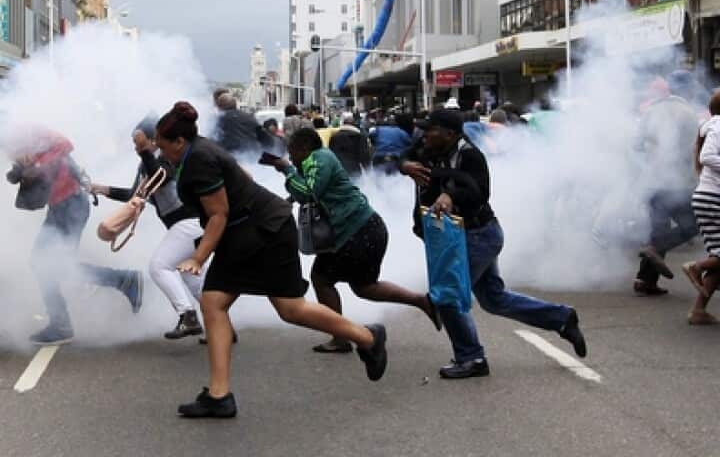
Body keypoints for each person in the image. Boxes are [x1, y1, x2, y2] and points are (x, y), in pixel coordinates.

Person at [154, 102, 387, 419]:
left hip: (264, 231)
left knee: (288, 308)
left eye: (163, 146)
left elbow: (218, 214)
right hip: (249, 231)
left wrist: (198, 257)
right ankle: (219, 395)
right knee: (217, 303)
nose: (161, 152)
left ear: (179, 141)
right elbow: (243, 175)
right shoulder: (199, 150)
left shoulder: (199, 160)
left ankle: (368, 337)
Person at [400, 109, 585, 378]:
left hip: (477, 236)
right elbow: (403, 156)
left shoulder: (470, 156)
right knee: (493, 299)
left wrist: (451, 195)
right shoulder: (427, 147)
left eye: (431, 129)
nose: (424, 134)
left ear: (449, 134)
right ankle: (561, 318)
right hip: (458, 237)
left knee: (448, 295)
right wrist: (405, 166)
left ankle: (472, 358)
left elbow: (480, 192)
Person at [275, 128, 439, 353]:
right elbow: (314, 189)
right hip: (365, 229)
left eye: (292, 151)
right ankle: (422, 301)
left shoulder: (318, 158)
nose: (290, 157)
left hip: (356, 231)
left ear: (303, 148)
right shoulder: (318, 159)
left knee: (322, 279)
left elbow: (310, 193)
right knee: (365, 287)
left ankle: (340, 337)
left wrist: (287, 170)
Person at [0, 113, 143, 346]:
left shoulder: (29, 131)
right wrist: (19, 172)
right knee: (48, 264)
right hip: (60, 205)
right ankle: (119, 283)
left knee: (50, 264)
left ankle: (116, 285)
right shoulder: (20, 143)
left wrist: (37, 166)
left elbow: (65, 144)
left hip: (70, 203)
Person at [91, 118, 207, 340]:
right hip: (188, 225)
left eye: (140, 142)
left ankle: (188, 316)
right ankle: (222, 325)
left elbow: (160, 177)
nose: (136, 147)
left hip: (189, 222)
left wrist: (145, 152)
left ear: (155, 140)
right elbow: (135, 194)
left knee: (159, 267)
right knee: (192, 278)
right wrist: (102, 189)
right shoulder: (149, 163)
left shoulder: (166, 158)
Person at [635, 70, 703, 296]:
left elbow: (636, 145)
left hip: (651, 181)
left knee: (658, 229)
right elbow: (692, 150)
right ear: (688, 89)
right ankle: (654, 251)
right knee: (691, 225)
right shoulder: (688, 113)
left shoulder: (651, 110)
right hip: (677, 182)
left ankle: (644, 281)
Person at [685, 89, 720, 325]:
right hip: (713, 198)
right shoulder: (719, 126)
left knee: (719, 255)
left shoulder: (712, 126)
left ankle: (698, 311)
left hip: (708, 197)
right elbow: (707, 157)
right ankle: (696, 267)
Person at [212, 91, 271, 155]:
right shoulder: (250, 117)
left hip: (230, 156)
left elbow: (210, 141)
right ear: (235, 104)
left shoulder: (218, 120)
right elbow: (266, 139)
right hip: (252, 155)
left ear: (219, 107)